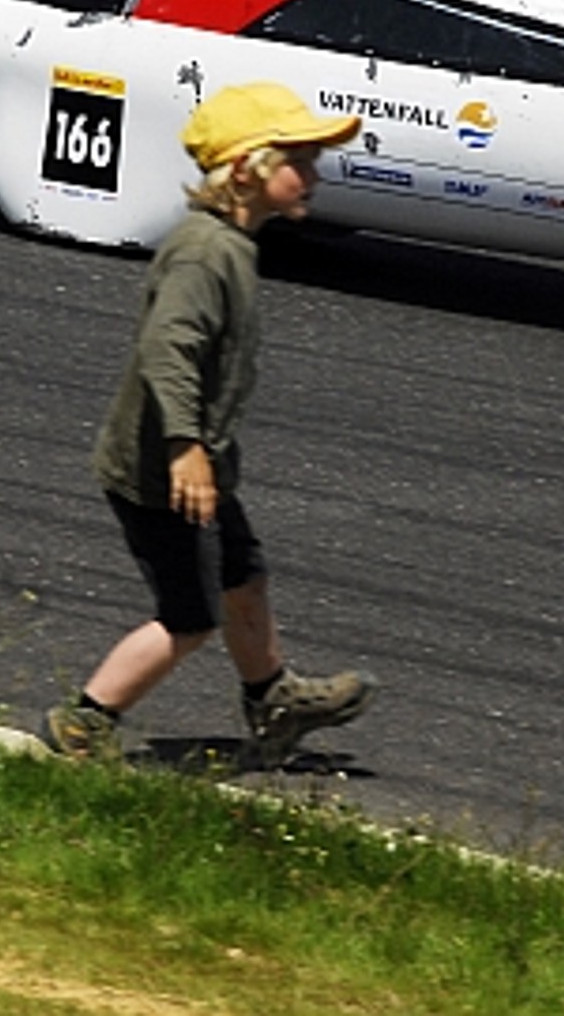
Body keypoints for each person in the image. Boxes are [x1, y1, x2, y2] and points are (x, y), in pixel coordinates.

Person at [45, 82, 379, 767]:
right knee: (189, 615)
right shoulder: (206, 252)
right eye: (301, 160)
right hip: (162, 472)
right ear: (249, 169)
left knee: (242, 577)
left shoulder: (231, 243)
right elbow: (169, 350)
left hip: (199, 465)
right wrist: (185, 448)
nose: (314, 174)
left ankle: (273, 701)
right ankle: (82, 724)